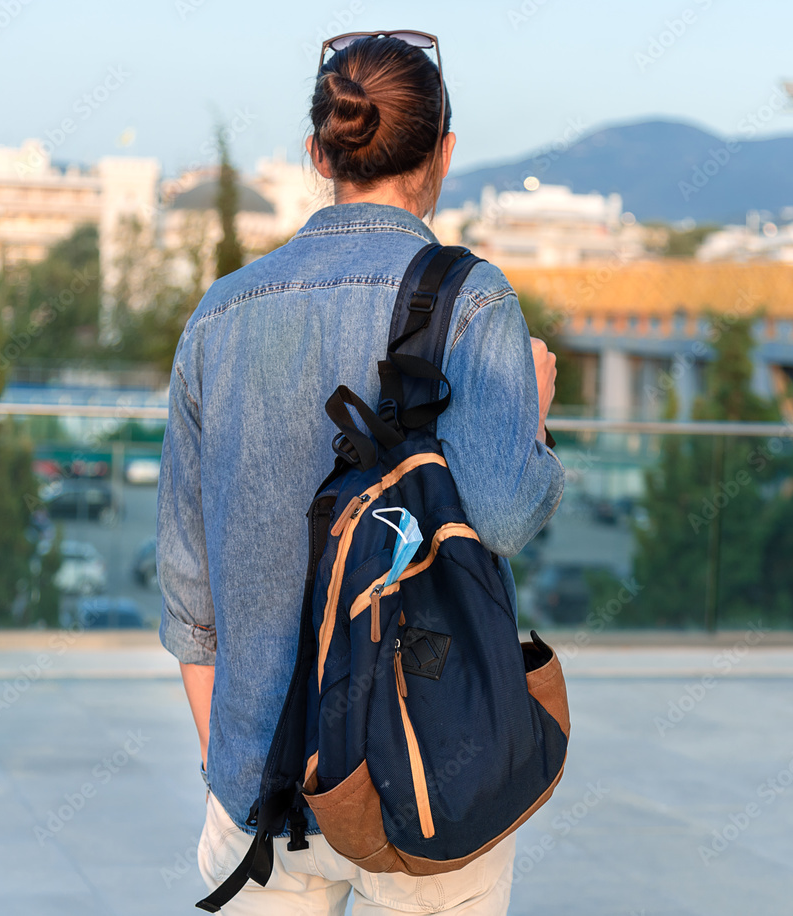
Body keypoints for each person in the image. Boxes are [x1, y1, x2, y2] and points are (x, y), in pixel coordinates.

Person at [157, 30, 564, 916]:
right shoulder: (474, 298)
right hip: (428, 774)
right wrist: (530, 415)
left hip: (263, 792)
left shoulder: (220, 314)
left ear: (319, 152)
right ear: (444, 152)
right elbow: (503, 516)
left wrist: (234, 767)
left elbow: (189, 589)